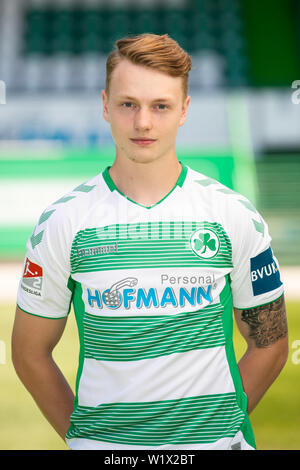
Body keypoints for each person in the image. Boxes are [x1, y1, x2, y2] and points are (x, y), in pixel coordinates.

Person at [12, 33, 288, 451]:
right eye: (128, 104)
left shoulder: (233, 214)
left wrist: (218, 431)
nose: (143, 122)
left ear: (185, 110)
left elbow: (271, 341)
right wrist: (87, 440)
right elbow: (29, 353)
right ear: (105, 105)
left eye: (161, 106)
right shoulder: (63, 221)